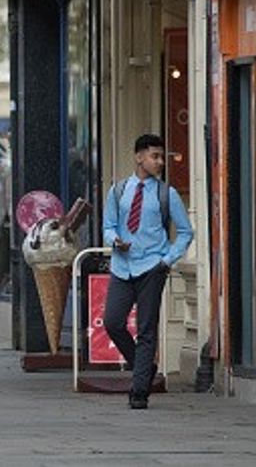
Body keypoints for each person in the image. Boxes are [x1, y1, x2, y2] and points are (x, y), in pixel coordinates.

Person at [103, 133, 193, 410]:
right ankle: (144, 369)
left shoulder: (168, 194)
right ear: (139, 157)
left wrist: (167, 260)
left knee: (146, 329)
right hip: (122, 266)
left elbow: (185, 232)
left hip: (153, 267)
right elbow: (108, 226)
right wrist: (114, 241)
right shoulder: (118, 191)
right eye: (154, 156)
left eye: (160, 157)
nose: (159, 162)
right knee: (113, 322)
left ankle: (139, 391)